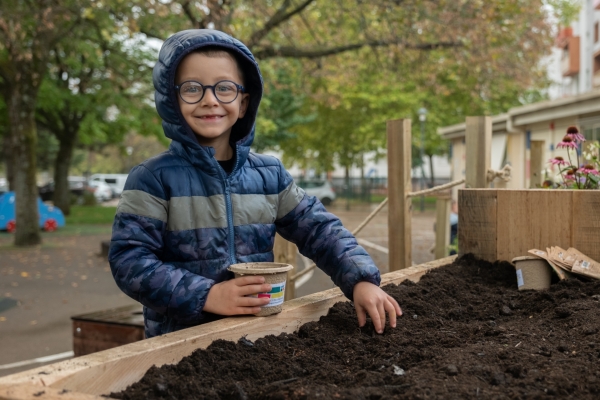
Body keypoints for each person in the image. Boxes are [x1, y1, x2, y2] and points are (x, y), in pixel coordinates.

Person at [108, 29, 401, 339]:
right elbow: (131, 261)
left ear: (244, 103)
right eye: (193, 89)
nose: (210, 100)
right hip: (180, 345)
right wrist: (207, 295)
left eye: (224, 88)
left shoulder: (269, 175)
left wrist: (361, 280)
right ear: (171, 100)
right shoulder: (152, 178)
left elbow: (319, 229)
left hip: (259, 336)